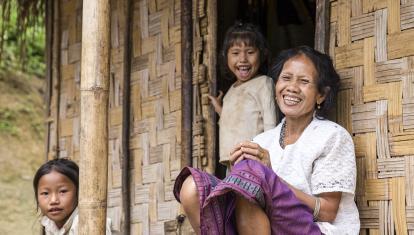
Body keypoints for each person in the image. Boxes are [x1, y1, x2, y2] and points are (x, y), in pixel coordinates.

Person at [174, 46, 360, 235]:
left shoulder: (331, 136)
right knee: (192, 188)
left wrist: (269, 179)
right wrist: (235, 174)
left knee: (251, 176)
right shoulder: (262, 140)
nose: (292, 88)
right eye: (286, 78)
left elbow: (327, 212)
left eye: (304, 81)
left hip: (316, 229)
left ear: (321, 94)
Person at [208, 22, 277, 168]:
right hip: (231, 161)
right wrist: (219, 109)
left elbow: (271, 122)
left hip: (253, 159)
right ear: (225, 56)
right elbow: (234, 120)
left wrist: (269, 156)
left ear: (262, 54)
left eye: (250, 52)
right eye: (235, 53)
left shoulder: (263, 83)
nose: (243, 59)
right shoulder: (231, 91)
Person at [33, 158, 112, 235]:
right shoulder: (50, 225)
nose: (53, 200)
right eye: (45, 193)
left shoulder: (87, 222)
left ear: (79, 192)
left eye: (63, 191)